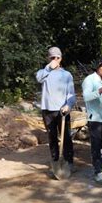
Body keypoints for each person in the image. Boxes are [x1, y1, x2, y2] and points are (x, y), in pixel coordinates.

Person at [36, 46, 76, 175]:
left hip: (62, 111)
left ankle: (69, 161)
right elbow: (38, 78)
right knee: (52, 137)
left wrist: (68, 105)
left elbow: (71, 94)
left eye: (57, 57)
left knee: (66, 137)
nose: (55, 60)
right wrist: (48, 68)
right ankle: (55, 160)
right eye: (52, 57)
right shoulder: (44, 72)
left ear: (61, 59)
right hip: (47, 110)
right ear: (48, 58)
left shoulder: (66, 75)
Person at [82, 58, 102, 185]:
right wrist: (101, 90)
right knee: (96, 146)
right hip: (95, 118)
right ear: (97, 66)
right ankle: (97, 171)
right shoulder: (89, 80)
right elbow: (86, 97)